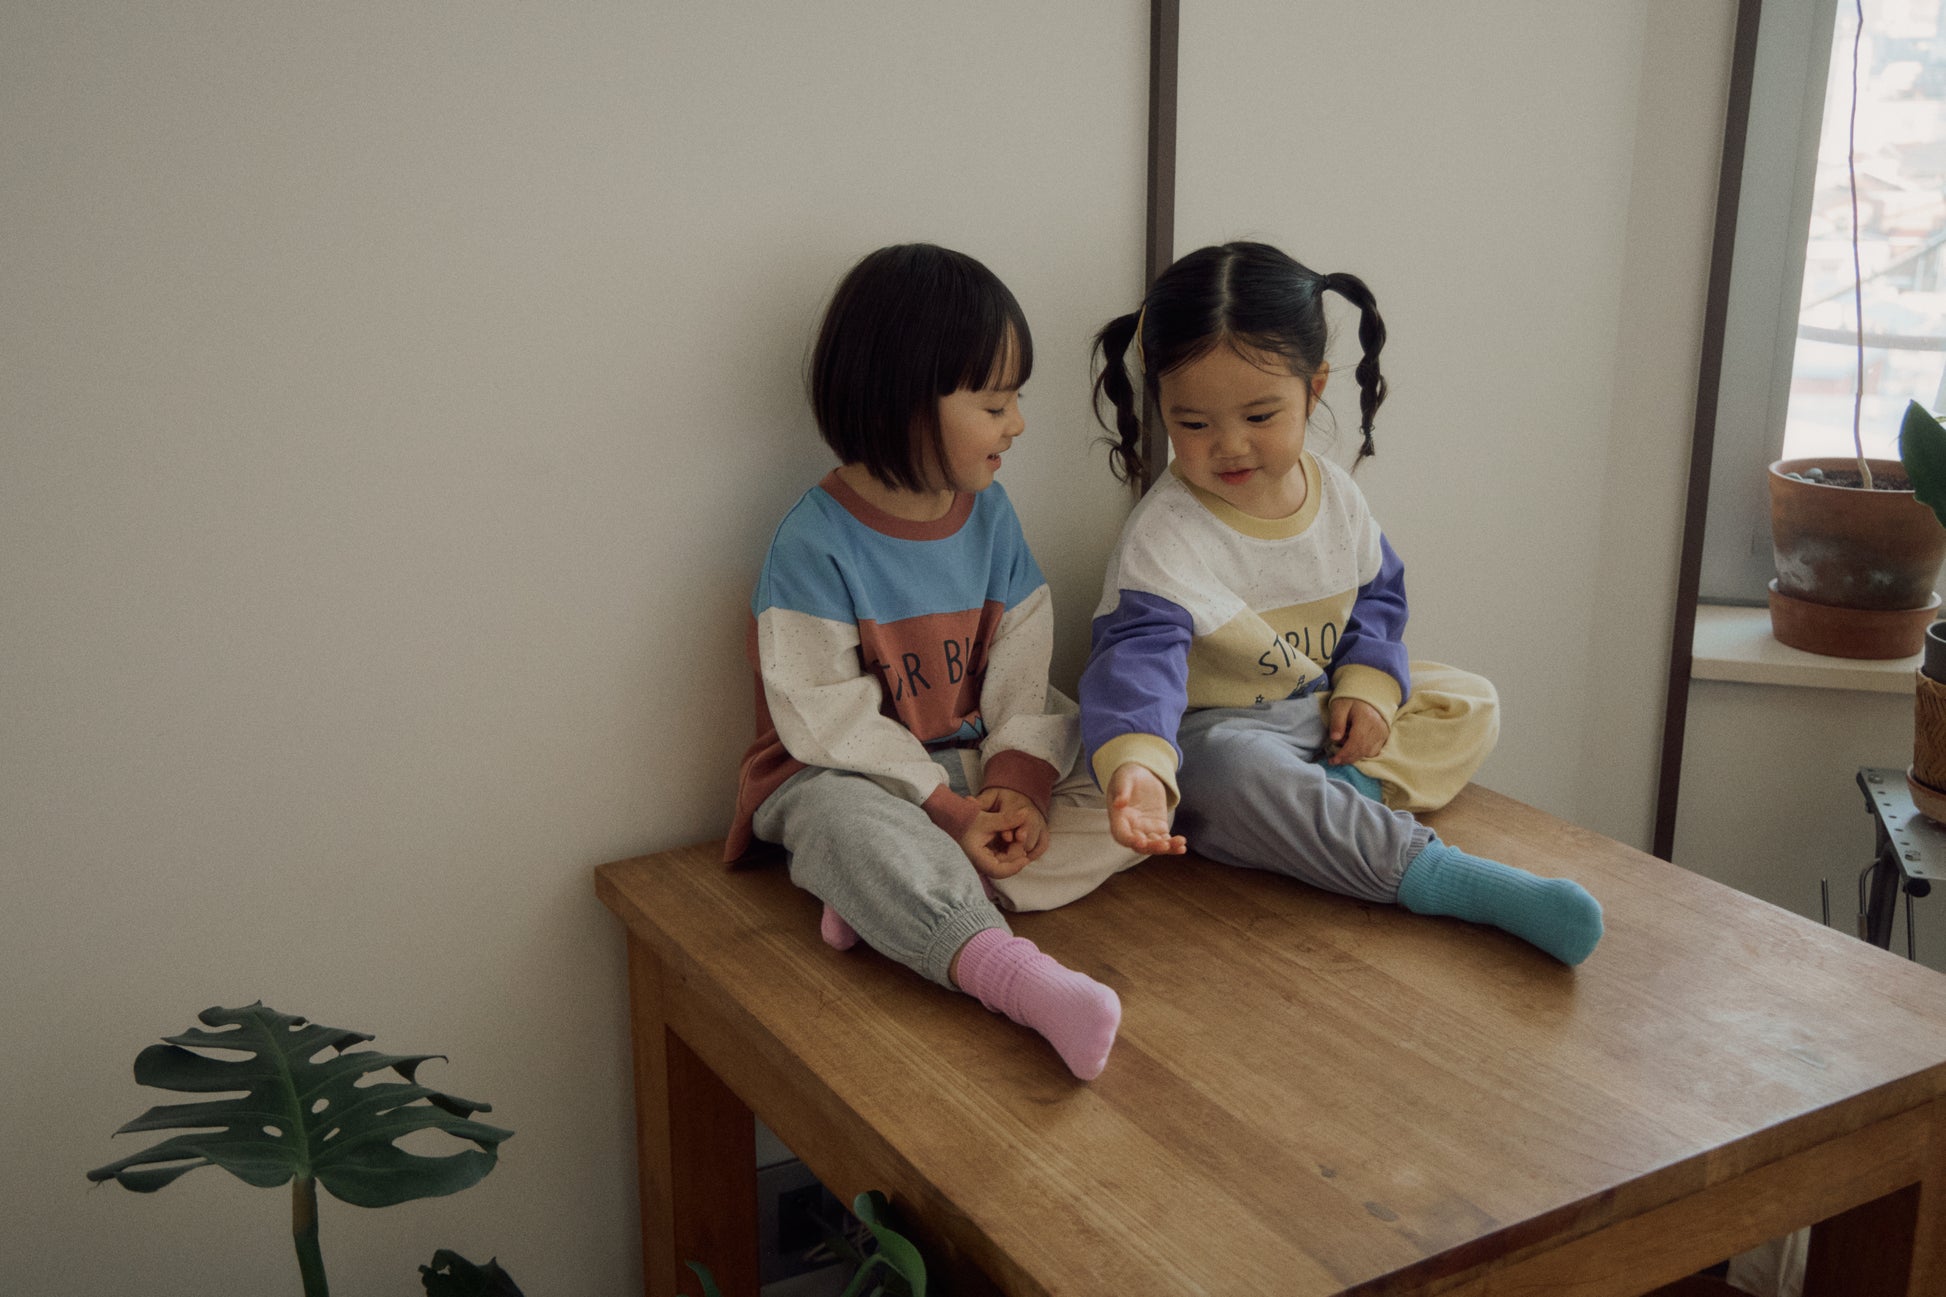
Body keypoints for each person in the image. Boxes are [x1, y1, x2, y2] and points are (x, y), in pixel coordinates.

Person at [1074, 241, 1603, 966]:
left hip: (1318, 714)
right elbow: (1135, 663)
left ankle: (1331, 798)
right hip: (1220, 733)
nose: (1230, 446)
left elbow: (1377, 602)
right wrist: (1136, 768)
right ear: (1162, 404)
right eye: (1193, 424)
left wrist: (1368, 690)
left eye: (1260, 415)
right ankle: (1436, 875)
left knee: (1468, 700)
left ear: (1314, 388)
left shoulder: (1337, 497)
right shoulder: (1166, 536)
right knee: (1226, 776)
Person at [726, 244, 1144, 1080]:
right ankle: (1013, 974)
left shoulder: (991, 517)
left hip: (972, 767)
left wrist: (1017, 787)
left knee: (1128, 789)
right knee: (842, 822)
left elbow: (1024, 661)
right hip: (849, 775)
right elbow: (824, 717)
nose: (1016, 424)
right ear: (906, 403)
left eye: (1015, 399)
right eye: (994, 404)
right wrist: (945, 809)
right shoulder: (813, 542)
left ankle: (889, 899)